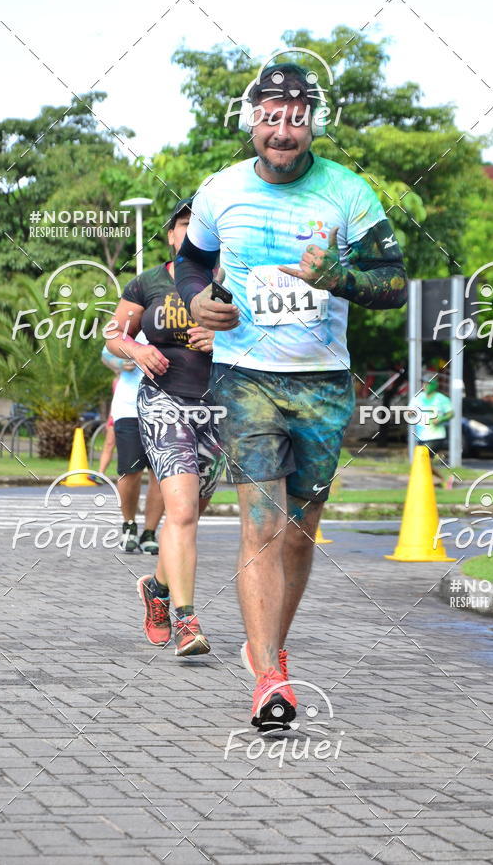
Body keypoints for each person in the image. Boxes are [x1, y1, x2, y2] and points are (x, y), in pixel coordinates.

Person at [174, 63, 408, 729]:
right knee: (263, 526)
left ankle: (265, 641)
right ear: (253, 120)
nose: (283, 130)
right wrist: (200, 300)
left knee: (301, 537)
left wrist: (342, 276)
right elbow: (193, 262)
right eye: (271, 116)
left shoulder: (349, 192)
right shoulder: (221, 190)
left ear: (312, 122)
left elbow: (392, 282)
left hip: (323, 379)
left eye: (296, 117)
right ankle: (272, 679)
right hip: (246, 374)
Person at [106, 198, 226, 656]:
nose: (193, 232)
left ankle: (156, 589)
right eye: (185, 225)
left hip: (217, 408)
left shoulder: (231, 281)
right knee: (180, 514)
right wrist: (136, 352)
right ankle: (187, 621)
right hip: (163, 402)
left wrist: (222, 337)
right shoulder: (148, 282)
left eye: (203, 226)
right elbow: (113, 334)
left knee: (191, 515)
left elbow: (261, 336)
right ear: (173, 236)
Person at [100, 342, 164, 553]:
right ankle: (129, 524)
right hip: (129, 408)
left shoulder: (176, 318)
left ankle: (149, 532)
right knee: (130, 471)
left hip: (167, 409)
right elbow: (106, 354)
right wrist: (119, 362)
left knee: (161, 473)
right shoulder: (130, 323)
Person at [408, 377, 454, 487]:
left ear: (434, 385)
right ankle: (443, 480)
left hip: (436, 436)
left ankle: (442, 480)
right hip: (421, 436)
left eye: (428, 384)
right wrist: (410, 413)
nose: (425, 386)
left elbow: (450, 413)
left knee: (423, 461)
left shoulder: (442, 399)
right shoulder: (417, 398)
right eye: (423, 383)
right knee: (423, 462)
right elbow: (410, 411)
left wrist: (441, 419)